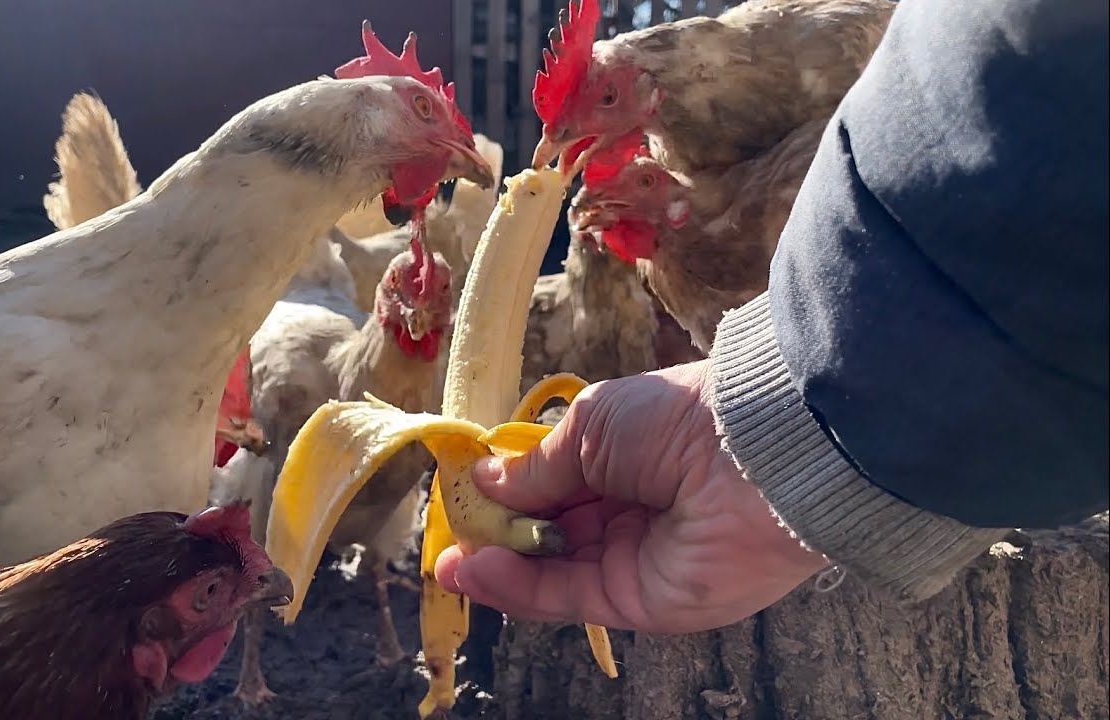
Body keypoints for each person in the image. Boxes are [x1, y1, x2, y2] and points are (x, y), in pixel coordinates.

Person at [434, 0, 1109, 634]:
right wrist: (789, 438)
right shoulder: (701, 187)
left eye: (606, 101)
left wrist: (796, 434)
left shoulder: (845, 64)